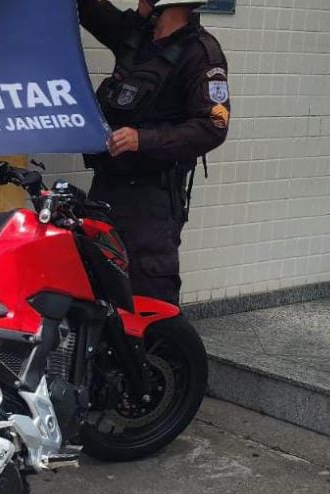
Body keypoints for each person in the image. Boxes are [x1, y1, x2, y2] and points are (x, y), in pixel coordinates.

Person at [78, 0, 230, 305]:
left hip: (151, 199)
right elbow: (89, 9)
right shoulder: (137, 34)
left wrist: (143, 139)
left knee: (148, 298)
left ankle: (159, 355)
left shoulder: (200, 53)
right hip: (107, 188)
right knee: (97, 287)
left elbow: (212, 125)